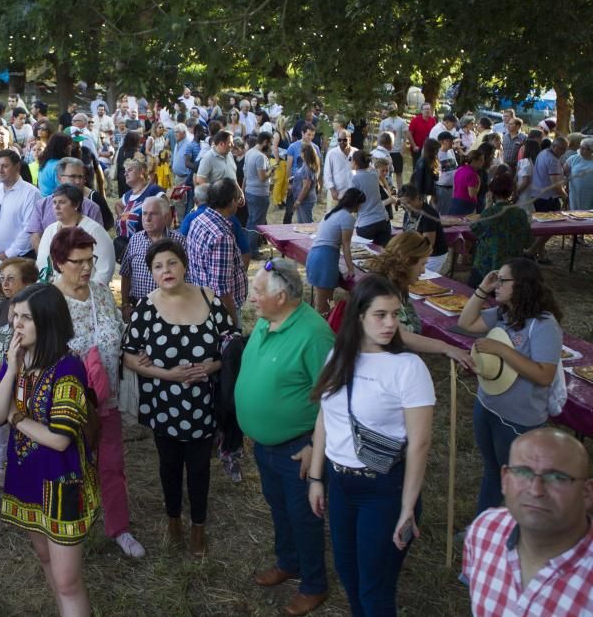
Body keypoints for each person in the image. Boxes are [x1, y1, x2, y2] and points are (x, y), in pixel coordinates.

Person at [307, 275, 435, 617]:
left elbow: (420, 443)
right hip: (340, 485)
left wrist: (407, 508)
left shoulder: (408, 368)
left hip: (384, 489)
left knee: (375, 588)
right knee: (349, 575)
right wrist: (317, 478)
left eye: (395, 313)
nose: (391, 322)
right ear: (359, 316)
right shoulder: (338, 355)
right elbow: (325, 418)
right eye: (381, 314)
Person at [0, 283, 100, 615]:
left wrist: (16, 417)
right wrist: (10, 369)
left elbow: (59, 438)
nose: (16, 324)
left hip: (62, 482)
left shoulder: (67, 368)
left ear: (47, 322)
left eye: (26, 318)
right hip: (27, 478)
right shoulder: (17, 359)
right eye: (14, 316)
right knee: (45, 557)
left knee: (68, 581)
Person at [122, 239, 233, 557]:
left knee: (199, 467)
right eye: (157, 266)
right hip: (163, 404)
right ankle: (174, 521)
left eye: (171, 263)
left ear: (184, 265)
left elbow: (231, 346)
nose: (165, 270)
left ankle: (198, 526)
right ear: (152, 273)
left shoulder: (208, 298)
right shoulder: (145, 307)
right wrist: (166, 375)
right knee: (169, 464)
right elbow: (129, 357)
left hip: (203, 403)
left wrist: (211, 365)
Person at [236, 258, 334, 615]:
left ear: (281, 296)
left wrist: (315, 447)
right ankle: (288, 561)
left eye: (259, 292)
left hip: (298, 448)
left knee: (303, 517)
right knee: (280, 509)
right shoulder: (268, 320)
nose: (252, 299)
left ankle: (314, 584)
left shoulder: (314, 335)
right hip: (267, 446)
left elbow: (336, 397)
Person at [48, 228, 145, 559]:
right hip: (66, 406)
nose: (87, 268)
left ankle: (119, 528)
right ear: (58, 262)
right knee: (69, 469)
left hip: (106, 401)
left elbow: (117, 335)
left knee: (112, 465)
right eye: (78, 262)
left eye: (91, 260)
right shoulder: (48, 302)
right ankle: (67, 531)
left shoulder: (101, 293)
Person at [458, 258, 564, 515]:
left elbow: (544, 376)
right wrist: (482, 288)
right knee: (493, 469)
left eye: (502, 280)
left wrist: (502, 350)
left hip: (519, 418)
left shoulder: (544, 325)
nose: (497, 284)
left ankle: (517, 530)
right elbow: (466, 323)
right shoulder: (504, 313)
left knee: (518, 479)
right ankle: (486, 525)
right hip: (488, 404)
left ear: (522, 285)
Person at [462, 428, 593, 617]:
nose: (536, 490)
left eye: (556, 477)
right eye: (523, 472)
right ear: (505, 479)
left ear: (586, 493)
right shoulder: (483, 531)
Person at [363, 232, 474, 367]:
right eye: (422, 264)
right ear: (407, 261)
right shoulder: (382, 290)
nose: (423, 271)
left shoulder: (395, 284)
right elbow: (399, 335)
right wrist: (446, 347)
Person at [0, 257, 39, 491]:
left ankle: (23, 466)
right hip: (2, 373)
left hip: (23, 375)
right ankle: (2, 469)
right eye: (2, 279)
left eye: (11, 279)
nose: (5, 284)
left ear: (28, 283)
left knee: (20, 422)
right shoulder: (1, 306)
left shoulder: (34, 310)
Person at [186, 178, 247, 320]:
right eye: (238, 198)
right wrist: (232, 322)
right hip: (218, 312)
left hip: (200, 300)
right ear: (232, 202)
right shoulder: (222, 236)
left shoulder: (199, 220)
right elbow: (221, 289)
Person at [119, 195, 185, 318]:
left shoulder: (178, 241)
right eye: (144, 214)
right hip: (137, 307)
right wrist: (125, 303)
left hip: (170, 308)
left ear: (165, 217)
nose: (147, 219)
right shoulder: (135, 239)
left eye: (153, 214)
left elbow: (188, 276)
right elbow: (125, 273)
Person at [36, 185, 115, 286]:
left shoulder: (94, 230)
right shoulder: (49, 230)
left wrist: (89, 292)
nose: (56, 207)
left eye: (62, 202)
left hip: (86, 294)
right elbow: (42, 263)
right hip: (54, 293)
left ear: (76, 205)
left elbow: (105, 270)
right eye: (54, 202)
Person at [468, 171, 532, 288]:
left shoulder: (489, 213)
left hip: (486, 265)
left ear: (492, 193)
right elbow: (528, 242)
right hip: (512, 267)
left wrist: (487, 206)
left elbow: (475, 230)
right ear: (511, 191)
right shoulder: (520, 213)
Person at [26, 158, 106, 250]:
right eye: (73, 177)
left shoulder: (92, 208)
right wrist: (46, 259)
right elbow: (35, 237)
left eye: (81, 177)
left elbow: (97, 241)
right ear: (59, 178)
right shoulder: (41, 205)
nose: (78, 181)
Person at [306, 188, 364, 314]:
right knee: (324, 305)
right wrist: (350, 269)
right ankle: (322, 329)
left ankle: (324, 324)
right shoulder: (347, 217)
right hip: (325, 259)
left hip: (316, 256)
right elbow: (346, 245)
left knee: (322, 299)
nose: (360, 207)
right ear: (355, 203)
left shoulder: (332, 213)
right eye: (360, 204)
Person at [0, 149, 40, 259]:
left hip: (19, 259)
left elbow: (29, 229)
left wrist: (8, 254)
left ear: (17, 167)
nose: (0, 171)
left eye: (5, 166)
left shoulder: (31, 193)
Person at [397, 184, 449, 274]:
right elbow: (406, 233)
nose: (405, 206)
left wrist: (409, 257)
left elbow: (428, 245)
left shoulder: (428, 215)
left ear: (417, 198)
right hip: (416, 252)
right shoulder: (409, 209)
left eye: (408, 202)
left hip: (433, 255)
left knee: (417, 278)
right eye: (403, 203)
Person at [350, 150, 393, 246]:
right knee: (383, 254)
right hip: (383, 220)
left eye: (351, 160)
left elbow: (352, 206)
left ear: (355, 163)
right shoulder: (374, 175)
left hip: (366, 223)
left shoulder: (354, 179)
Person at [291, 142, 320, 223]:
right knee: (302, 224)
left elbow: (306, 187)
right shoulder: (306, 165)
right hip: (304, 199)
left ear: (304, 154)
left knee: (306, 223)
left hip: (305, 200)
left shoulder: (307, 167)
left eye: (301, 152)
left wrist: (298, 201)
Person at [450, 149, 485, 216]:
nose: (483, 162)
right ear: (474, 161)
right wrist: (479, 184)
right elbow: (472, 194)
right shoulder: (472, 174)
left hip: (455, 201)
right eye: (481, 160)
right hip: (466, 204)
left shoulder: (460, 169)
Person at [564, 137, 593, 210]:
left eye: (584, 148)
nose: (581, 150)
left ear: (591, 150)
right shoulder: (573, 158)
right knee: (575, 213)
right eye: (580, 147)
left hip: (590, 193)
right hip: (575, 192)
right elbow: (564, 172)